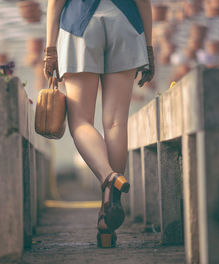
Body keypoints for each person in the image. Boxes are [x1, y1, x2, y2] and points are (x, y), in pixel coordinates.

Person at [44, 0, 154, 248]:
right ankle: (106, 221)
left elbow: (55, 3)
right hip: (126, 23)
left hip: (79, 25)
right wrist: (149, 47)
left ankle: (109, 176)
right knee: (116, 123)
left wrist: (51, 49)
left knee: (80, 121)